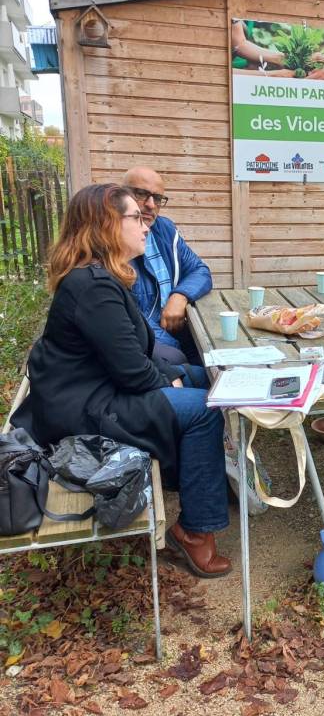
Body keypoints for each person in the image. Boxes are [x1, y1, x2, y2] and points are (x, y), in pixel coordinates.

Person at [19, 184, 231, 578]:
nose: (145, 226)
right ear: (106, 226)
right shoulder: (93, 287)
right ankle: (195, 532)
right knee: (205, 409)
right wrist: (174, 384)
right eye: (135, 217)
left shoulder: (101, 278)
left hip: (100, 388)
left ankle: (207, 480)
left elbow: (132, 359)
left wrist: (178, 376)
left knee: (217, 376)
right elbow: (134, 373)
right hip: (86, 411)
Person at [123, 166, 211, 366]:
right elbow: (129, 320)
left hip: (175, 328)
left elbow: (200, 270)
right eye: (141, 194)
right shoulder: (118, 243)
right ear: (122, 196)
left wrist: (179, 296)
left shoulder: (165, 230)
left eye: (157, 198)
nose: (151, 205)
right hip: (144, 343)